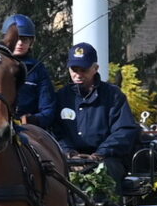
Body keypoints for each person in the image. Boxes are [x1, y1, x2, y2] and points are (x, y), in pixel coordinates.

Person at [49, 42, 140, 183]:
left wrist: (99, 155)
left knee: (104, 181)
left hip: (106, 160)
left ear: (95, 68)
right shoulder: (61, 96)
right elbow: (55, 131)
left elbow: (124, 130)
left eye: (83, 70)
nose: (78, 74)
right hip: (68, 161)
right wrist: (70, 154)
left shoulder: (113, 95)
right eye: (74, 69)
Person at [0, 14, 59, 131]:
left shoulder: (38, 69)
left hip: (27, 128)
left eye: (24, 39)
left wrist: (33, 119)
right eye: (16, 39)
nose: (20, 43)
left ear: (31, 42)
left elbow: (48, 109)